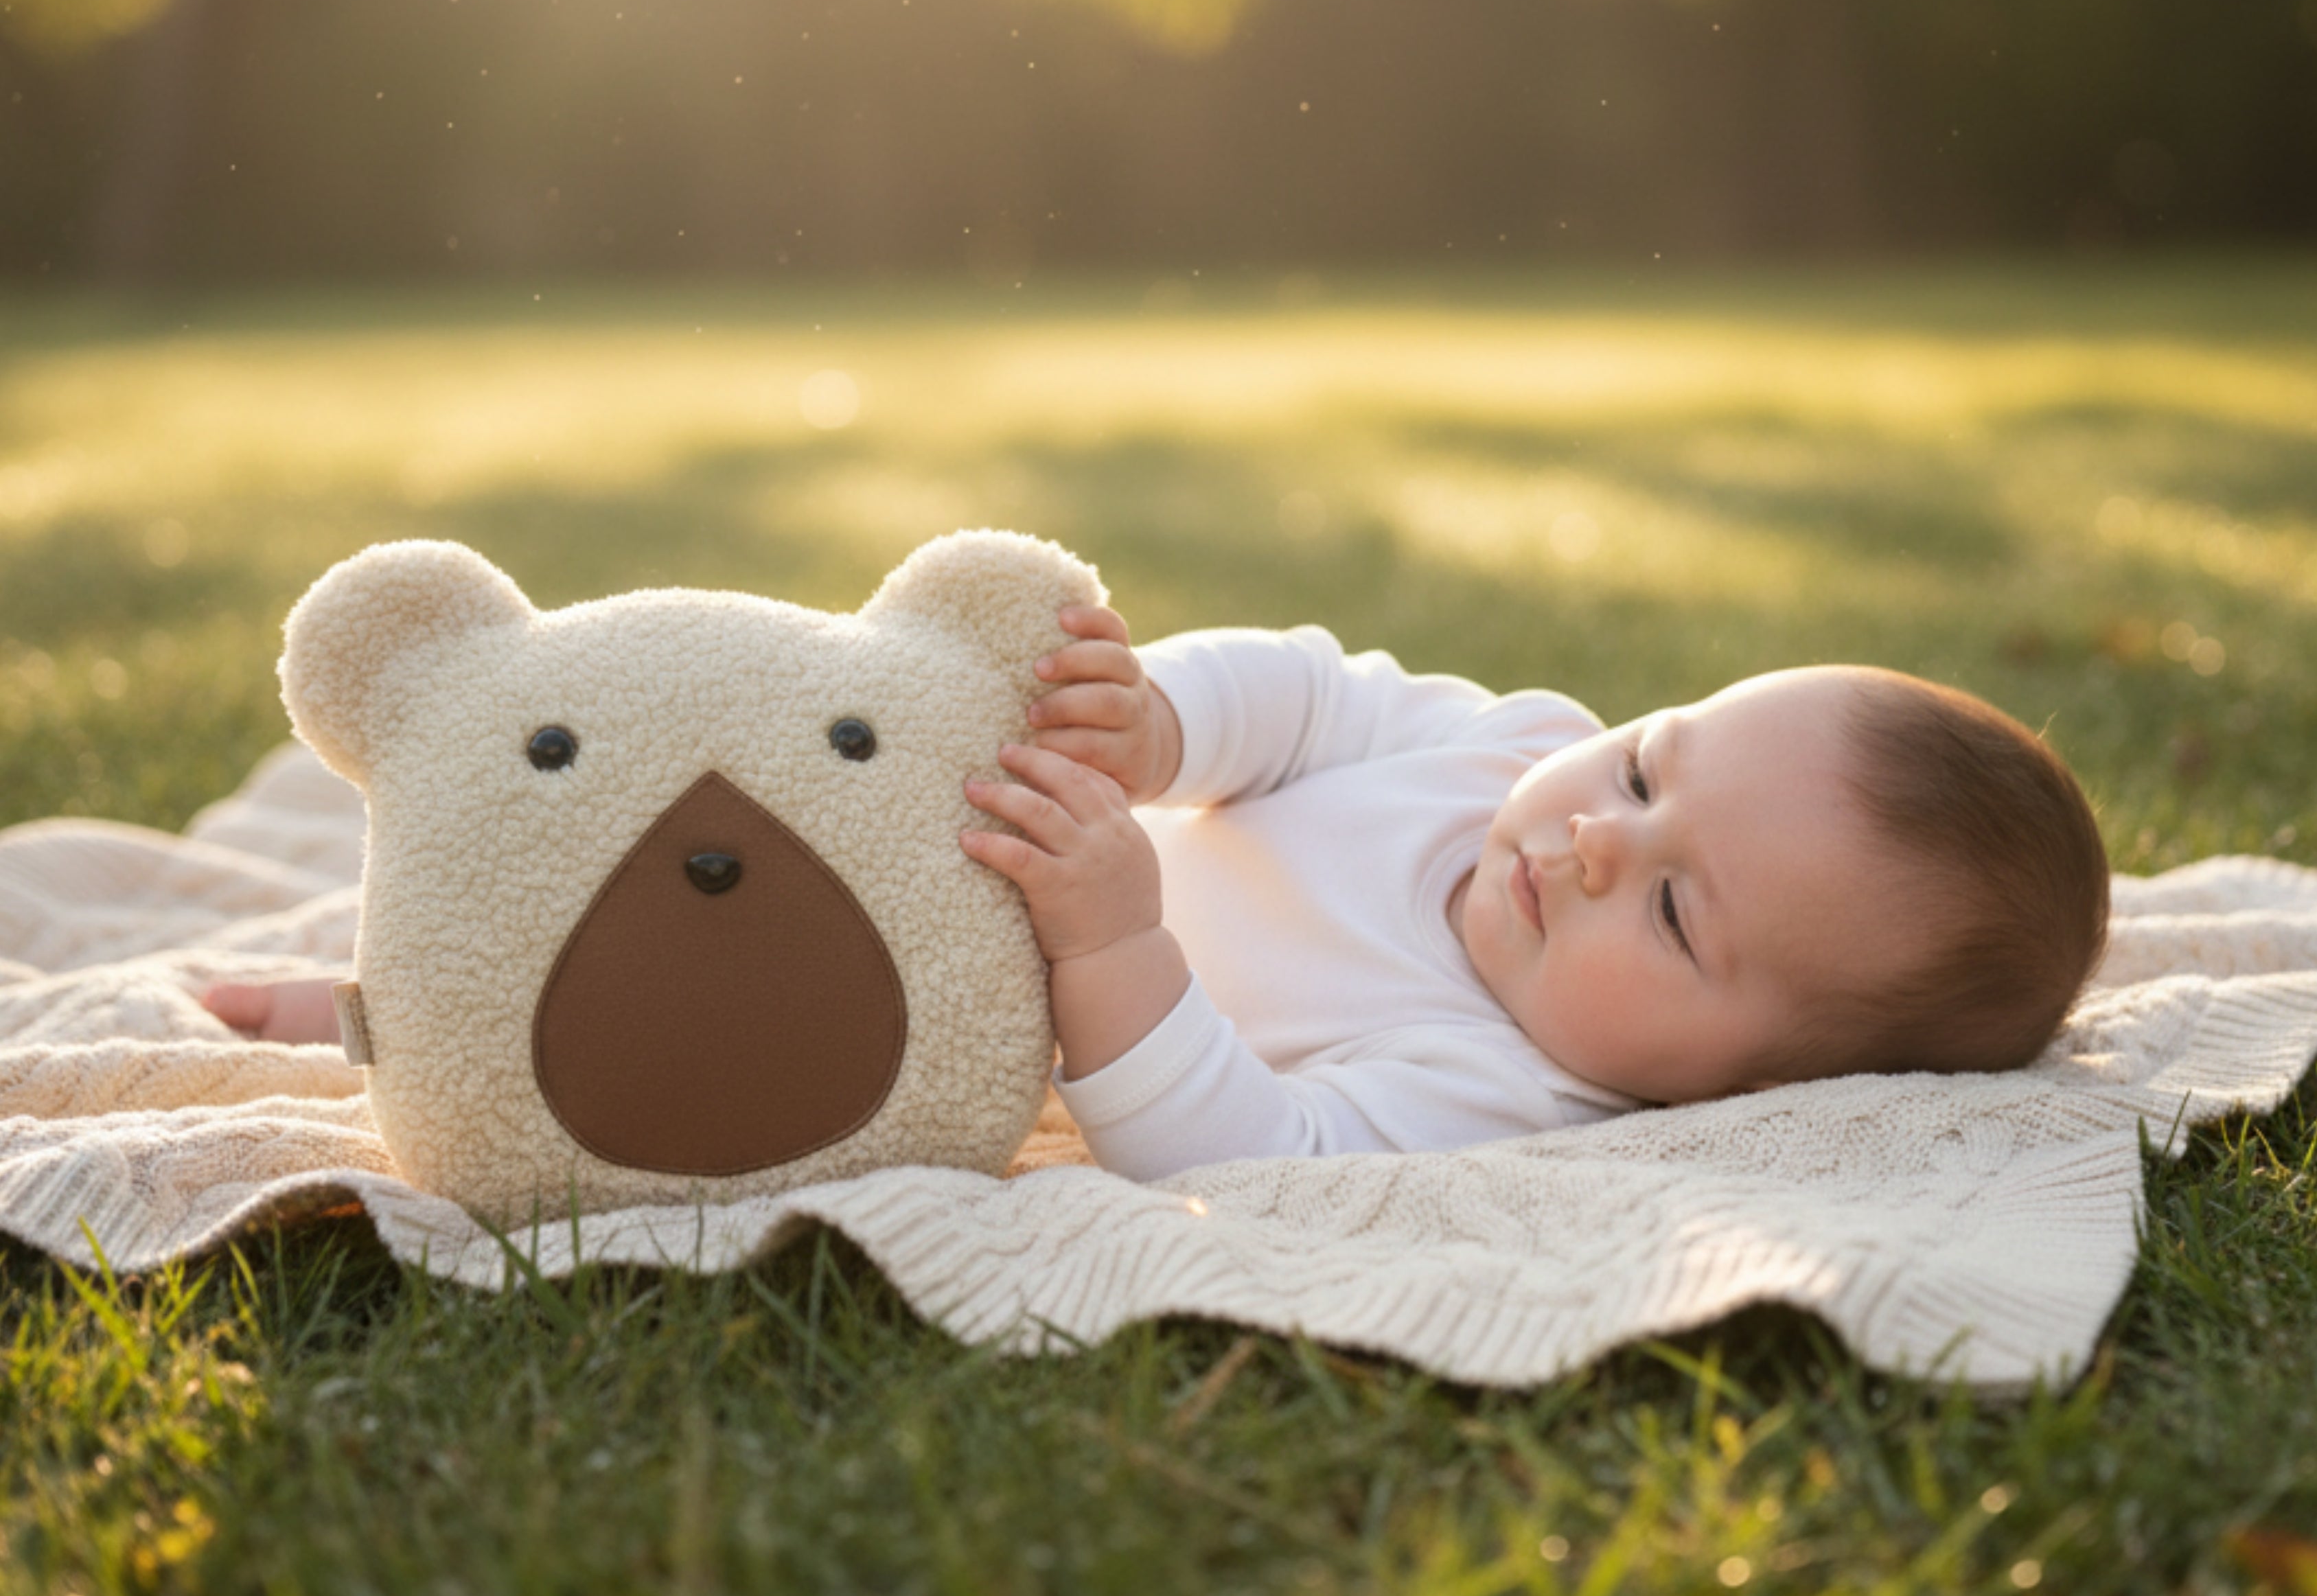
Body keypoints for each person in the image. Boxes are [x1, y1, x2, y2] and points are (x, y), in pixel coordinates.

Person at [205, 605, 2111, 1184]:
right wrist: (1158, 728)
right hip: (970, 830)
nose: (1597, 838)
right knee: (661, 809)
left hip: (957, 1011)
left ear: (1750, 1088)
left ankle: (374, 1024)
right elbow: (1312, 693)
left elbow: (1242, 1151)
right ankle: (404, 970)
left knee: (711, 1015)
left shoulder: (1499, 1090)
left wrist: (1114, 941)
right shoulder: (1497, 749)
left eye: (1681, 920)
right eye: (1647, 762)